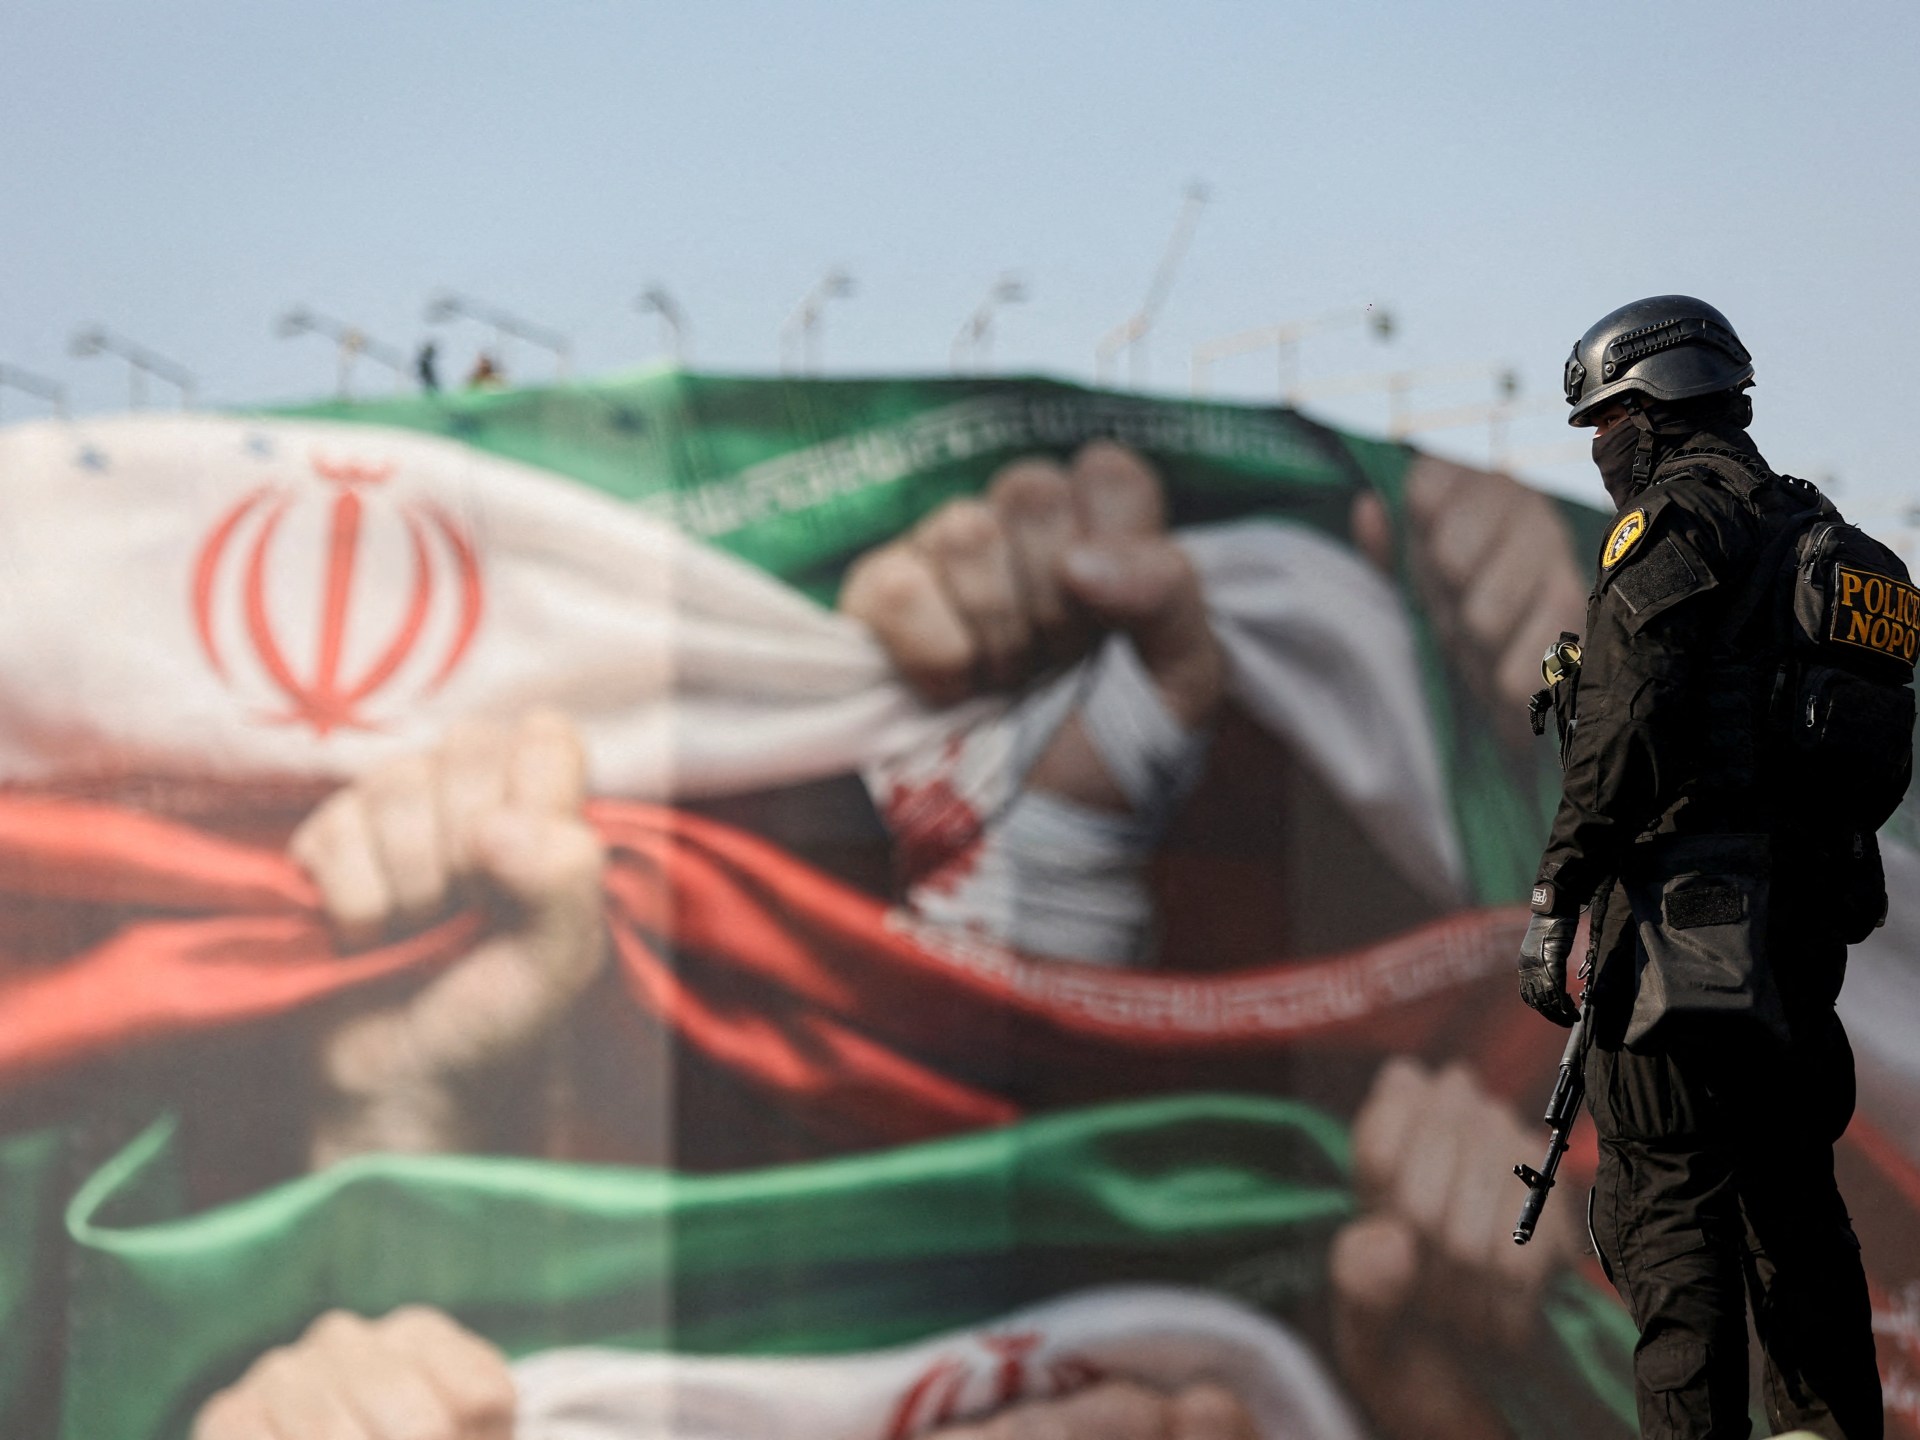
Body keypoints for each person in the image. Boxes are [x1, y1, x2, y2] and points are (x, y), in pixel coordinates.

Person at [1516, 295, 1887, 1436]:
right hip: (1800, 946)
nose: (1599, 445)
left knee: (1671, 1223)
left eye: (1605, 420)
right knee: (1798, 1221)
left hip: (1681, 944)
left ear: (1657, 403)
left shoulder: (1674, 524)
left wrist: (1557, 893)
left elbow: (1625, 726)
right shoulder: (1824, 538)